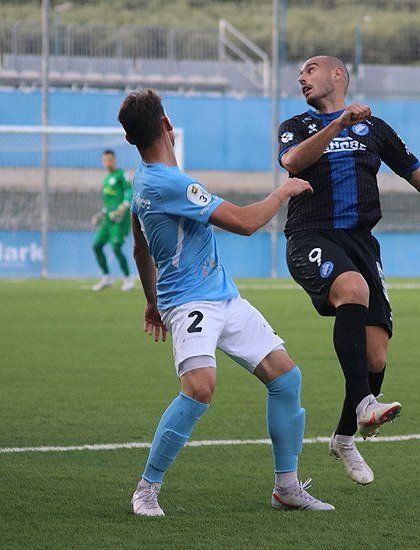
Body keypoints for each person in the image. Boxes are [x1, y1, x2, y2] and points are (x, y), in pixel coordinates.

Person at [278, 56, 420, 485]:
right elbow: (292, 162)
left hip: (362, 242)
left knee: (377, 355)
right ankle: (366, 404)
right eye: (301, 73)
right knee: (351, 288)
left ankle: (345, 438)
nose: (301, 77)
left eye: (310, 70)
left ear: (337, 75)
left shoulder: (376, 130)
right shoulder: (298, 125)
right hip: (311, 235)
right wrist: (339, 124)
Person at [119, 89, 333, 516]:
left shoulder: (143, 179)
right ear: (167, 125)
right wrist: (284, 191)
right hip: (190, 301)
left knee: (286, 378)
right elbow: (245, 223)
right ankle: (146, 490)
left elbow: (138, 241)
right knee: (199, 389)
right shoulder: (172, 182)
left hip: (222, 295)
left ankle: (287, 488)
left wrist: (148, 299)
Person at [91, 149, 136, 291]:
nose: (107, 163)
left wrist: (123, 207)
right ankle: (106, 277)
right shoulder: (106, 179)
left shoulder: (122, 175)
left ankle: (128, 279)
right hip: (108, 220)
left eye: (110, 160)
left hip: (120, 219)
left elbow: (129, 192)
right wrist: (100, 214)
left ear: (115, 160)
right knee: (96, 245)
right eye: (105, 160)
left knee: (116, 247)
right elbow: (108, 203)